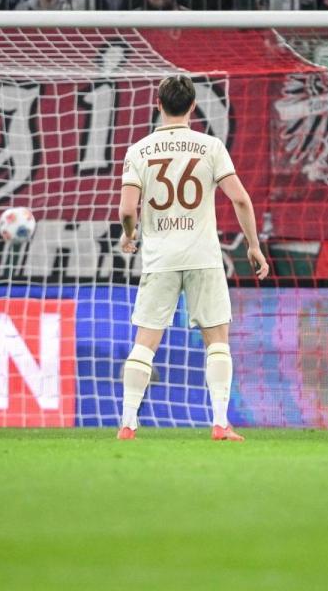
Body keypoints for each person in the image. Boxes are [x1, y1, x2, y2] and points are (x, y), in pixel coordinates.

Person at [116, 75, 269, 441]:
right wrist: (253, 245)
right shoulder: (210, 146)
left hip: (160, 259)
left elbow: (127, 209)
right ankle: (220, 423)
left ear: (158, 104)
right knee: (217, 341)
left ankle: (127, 424)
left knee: (144, 343)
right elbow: (241, 198)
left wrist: (129, 234)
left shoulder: (139, 150)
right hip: (203, 256)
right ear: (193, 107)